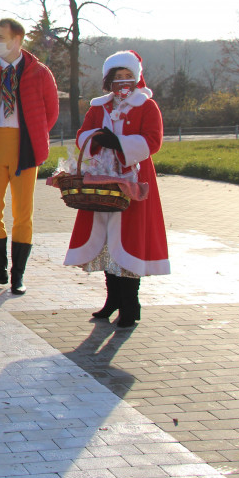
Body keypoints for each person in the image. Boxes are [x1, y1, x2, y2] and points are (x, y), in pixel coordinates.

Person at [64, 51, 169, 328]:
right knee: (107, 241)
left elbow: (153, 140)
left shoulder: (147, 106)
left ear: (136, 78)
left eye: (127, 77)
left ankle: (130, 305)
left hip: (133, 181)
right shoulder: (99, 107)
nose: (123, 82)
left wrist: (121, 144)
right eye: (117, 77)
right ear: (108, 80)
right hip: (102, 179)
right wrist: (98, 138)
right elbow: (82, 135)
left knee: (130, 238)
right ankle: (112, 300)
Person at [0, 18, 59, 295]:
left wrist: (34, 135)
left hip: (24, 147)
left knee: (23, 213)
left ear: (17, 40)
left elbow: (51, 111)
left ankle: (17, 275)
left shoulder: (40, 73)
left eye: (1, 37)